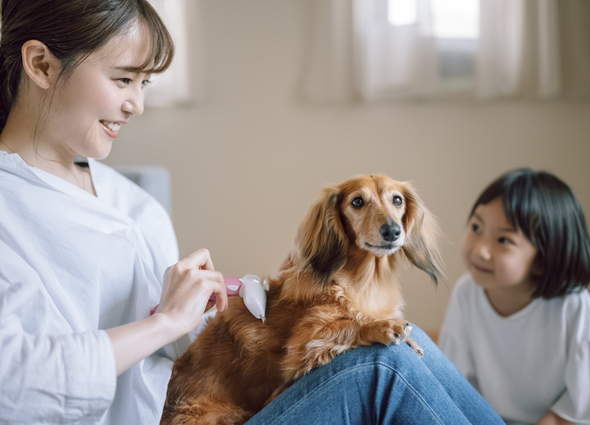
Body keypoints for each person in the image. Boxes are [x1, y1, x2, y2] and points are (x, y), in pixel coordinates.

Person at [0, 1, 504, 424]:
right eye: (124, 78)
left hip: (188, 399)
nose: (138, 104)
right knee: (385, 370)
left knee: (404, 342)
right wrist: (165, 322)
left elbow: (178, 351)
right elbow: (16, 383)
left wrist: (260, 303)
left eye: (145, 84)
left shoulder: (130, 200)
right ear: (42, 64)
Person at [438, 168, 590, 425]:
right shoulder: (466, 291)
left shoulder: (572, 305)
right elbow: (454, 382)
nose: (480, 250)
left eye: (503, 239)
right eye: (476, 227)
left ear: (543, 259)